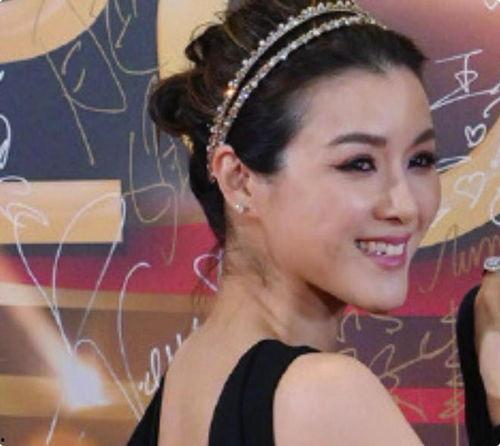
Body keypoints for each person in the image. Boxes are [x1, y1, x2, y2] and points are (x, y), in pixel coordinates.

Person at [128, 0, 500, 444]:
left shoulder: (193, 370)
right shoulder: (323, 394)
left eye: (420, 160)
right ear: (239, 180)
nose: (404, 205)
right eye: (359, 163)